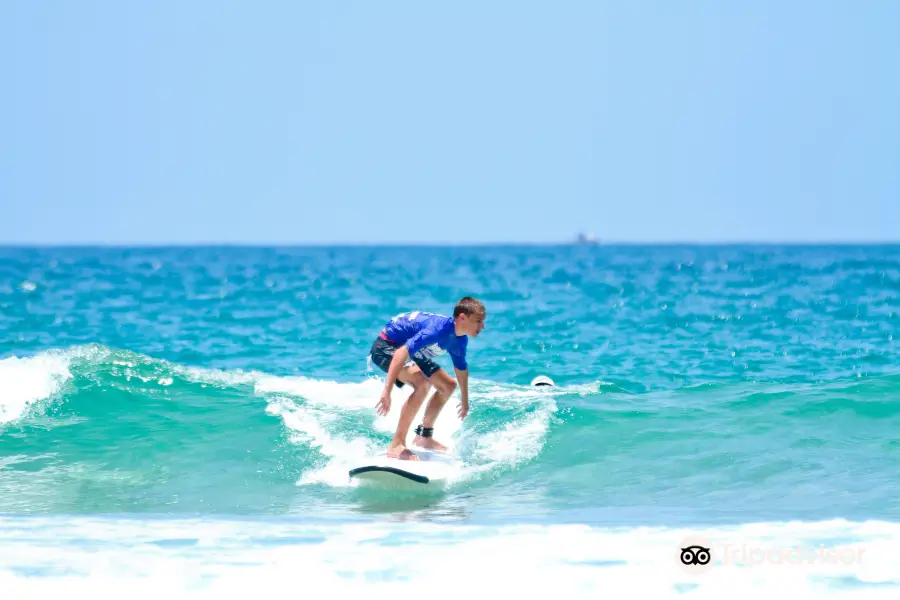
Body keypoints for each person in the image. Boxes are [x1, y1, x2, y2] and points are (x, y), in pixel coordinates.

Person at [369, 296, 486, 460]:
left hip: (411, 352)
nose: (483, 326)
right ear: (462, 317)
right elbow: (401, 353)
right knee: (422, 382)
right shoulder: (437, 330)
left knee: (448, 385)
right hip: (386, 347)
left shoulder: (459, 340)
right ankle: (397, 445)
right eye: (478, 321)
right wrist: (386, 391)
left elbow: (461, 368)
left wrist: (465, 400)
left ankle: (424, 436)